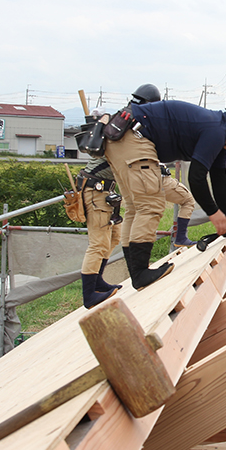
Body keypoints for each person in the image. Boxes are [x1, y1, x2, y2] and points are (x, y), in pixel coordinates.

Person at [104, 98, 226, 290]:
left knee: (135, 207)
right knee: (150, 205)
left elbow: (219, 177)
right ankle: (140, 273)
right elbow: (197, 178)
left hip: (121, 137)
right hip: (134, 136)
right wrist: (214, 214)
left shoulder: (218, 129)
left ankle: (136, 271)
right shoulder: (215, 131)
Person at [129, 84, 197, 248]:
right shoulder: (151, 121)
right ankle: (180, 237)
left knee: (134, 213)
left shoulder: (126, 120)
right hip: (155, 177)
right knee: (186, 201)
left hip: (131, 178)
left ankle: (132, 257)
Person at [77, 109, 123, 308]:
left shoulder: (118, 133)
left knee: (113, 237)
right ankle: (89, 296)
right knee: (98, 244)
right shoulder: (116, 136)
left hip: (104, 193)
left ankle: (97, 282)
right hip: (95, 192)